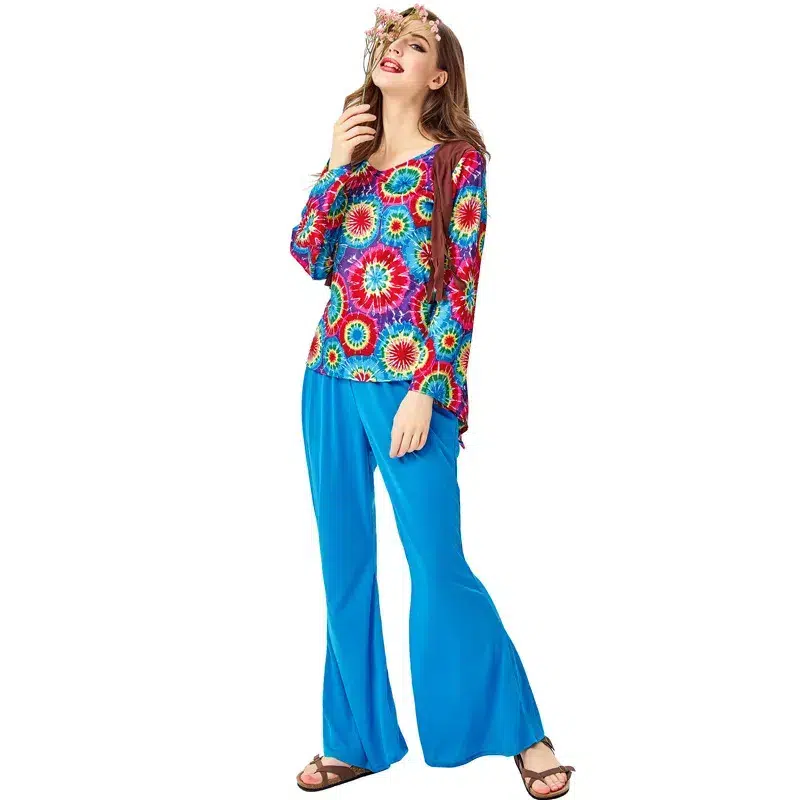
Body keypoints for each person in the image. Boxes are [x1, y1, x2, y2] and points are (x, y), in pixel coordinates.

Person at [289, 6, 575, 797]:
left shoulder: (458, 163)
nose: (395, 50)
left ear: (439, 75)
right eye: (390, 39)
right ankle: (353, 740)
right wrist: (335, 164)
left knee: (438, 565)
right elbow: (309, 255)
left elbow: (460, 288)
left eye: (415, 45)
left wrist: (427, 386)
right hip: (328, 378)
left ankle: (523, 731)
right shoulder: (353, 159)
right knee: (344, 567)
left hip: (413, 386)